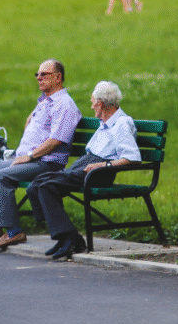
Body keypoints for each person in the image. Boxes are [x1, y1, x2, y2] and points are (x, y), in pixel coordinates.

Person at [0, 59, 82, 249]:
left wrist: (30, 156)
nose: (39, 78)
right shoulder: (46, 101)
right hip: (31, 158)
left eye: (44, 74)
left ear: (58, 77)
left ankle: (14, 232)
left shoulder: (64, 105)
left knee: (1, 176)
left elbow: (56, 140)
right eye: (37, 74)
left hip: (46, 162)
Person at [25, 81, 141, 260]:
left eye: (93, 102)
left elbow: (132, 157)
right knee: (36, 184)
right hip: (87, 166)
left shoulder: (122, 124)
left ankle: (70, 238)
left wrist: (103, 165)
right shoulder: (106, 122)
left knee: (47, 186)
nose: (91, 105)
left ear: (101, 104)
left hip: (99, 172)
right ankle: (64, 235)